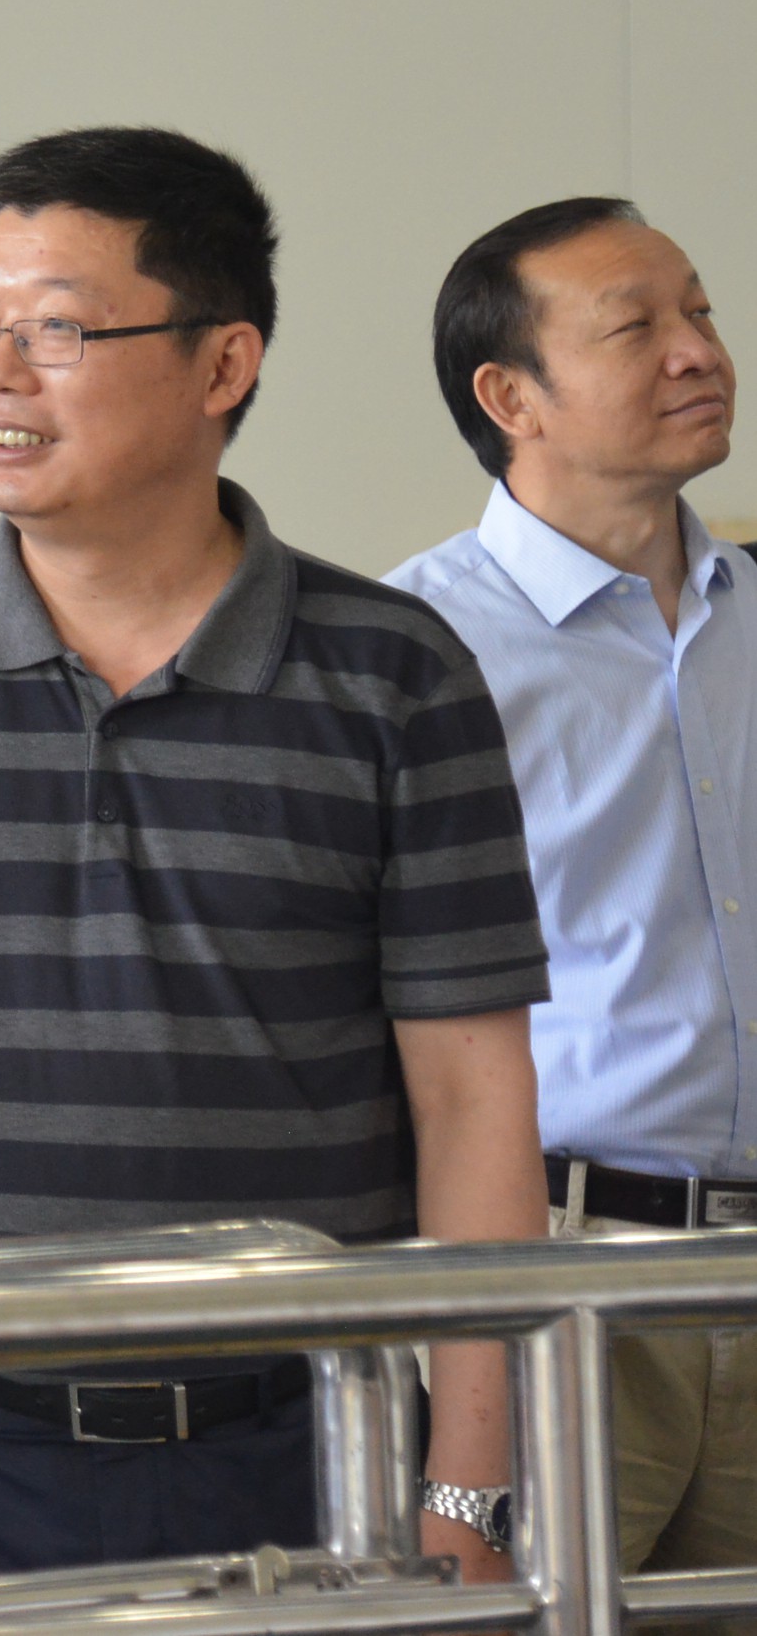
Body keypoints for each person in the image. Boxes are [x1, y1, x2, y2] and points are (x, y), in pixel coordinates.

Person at [0, 129, 550, 1598]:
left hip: (304, 1450)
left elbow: (474, 1101)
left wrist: (467, 1489)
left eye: (57, 331)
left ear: (224, 364)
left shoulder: (396, 675)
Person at [387, 197, 757, 1588]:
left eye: (700, 310)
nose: (698, 350)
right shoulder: (412, 651)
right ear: (511, 398)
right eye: (635, 327)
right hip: (559, 1280)